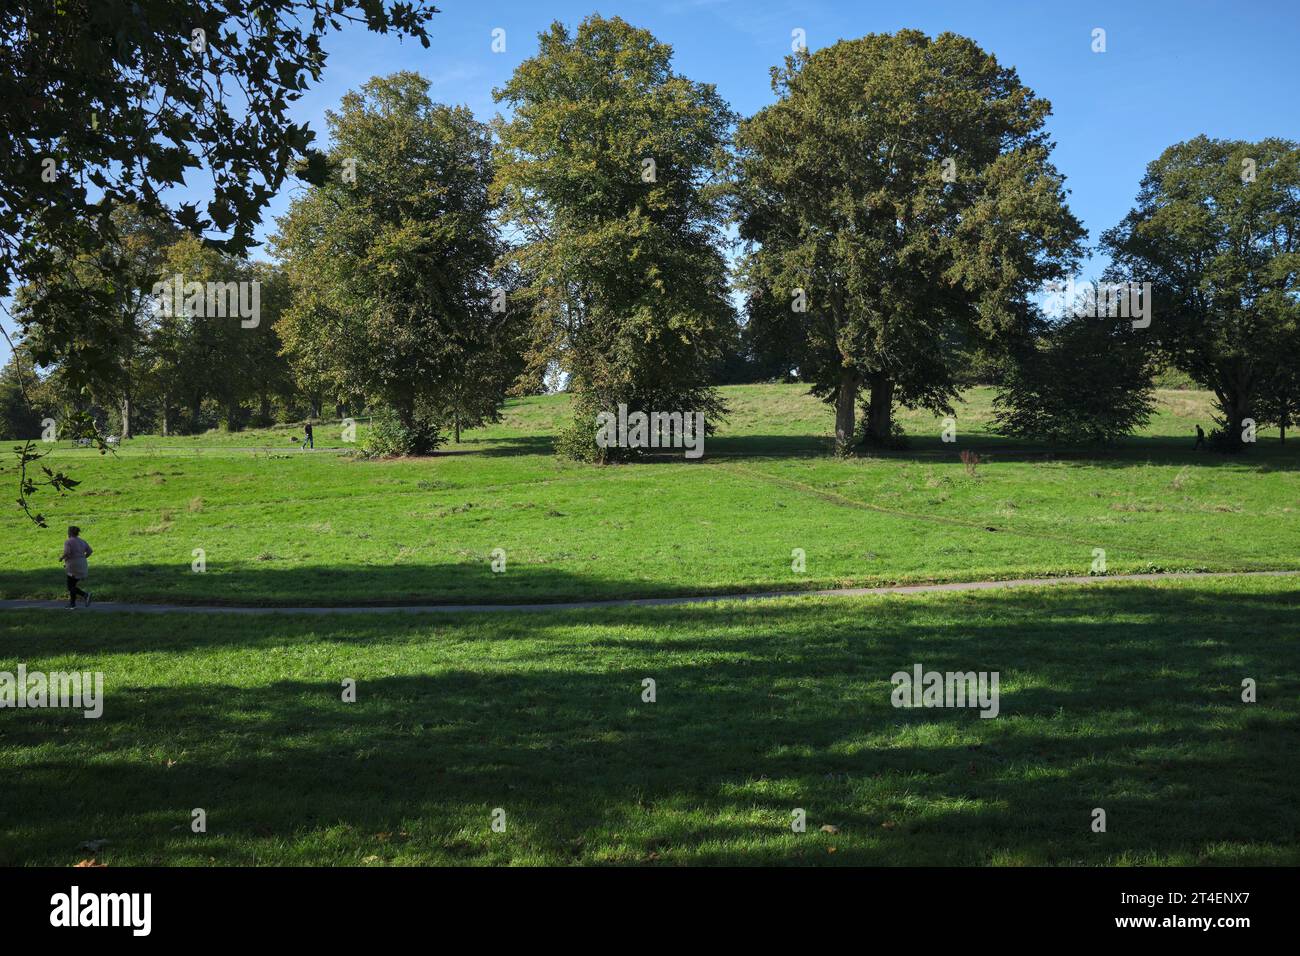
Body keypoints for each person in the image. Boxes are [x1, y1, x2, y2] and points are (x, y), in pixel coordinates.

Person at [60, 526, 92, 609]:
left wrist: (61, 558)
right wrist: (83, 557)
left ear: (69, 532)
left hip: (72, 566)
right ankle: (72, 604)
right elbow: (90, 551)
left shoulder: (68, 542)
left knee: (70, 586)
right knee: (73, 585)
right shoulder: (82, 541)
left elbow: (67, 552)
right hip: (82, 564)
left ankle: (85, 595)